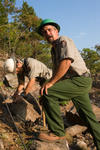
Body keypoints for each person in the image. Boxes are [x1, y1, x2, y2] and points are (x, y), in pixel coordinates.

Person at [37, 19, 100, 149]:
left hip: (80, 80)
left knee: (49, 93)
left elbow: (66, 63)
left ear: (56, 31)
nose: (47, 33)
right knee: (88, 117)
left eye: (49, 30)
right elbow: (58, 73)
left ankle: (57, 133)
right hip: (74, 83)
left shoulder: (63, 40)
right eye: (44, 32)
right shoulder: (53, 50)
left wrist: (50, 84)